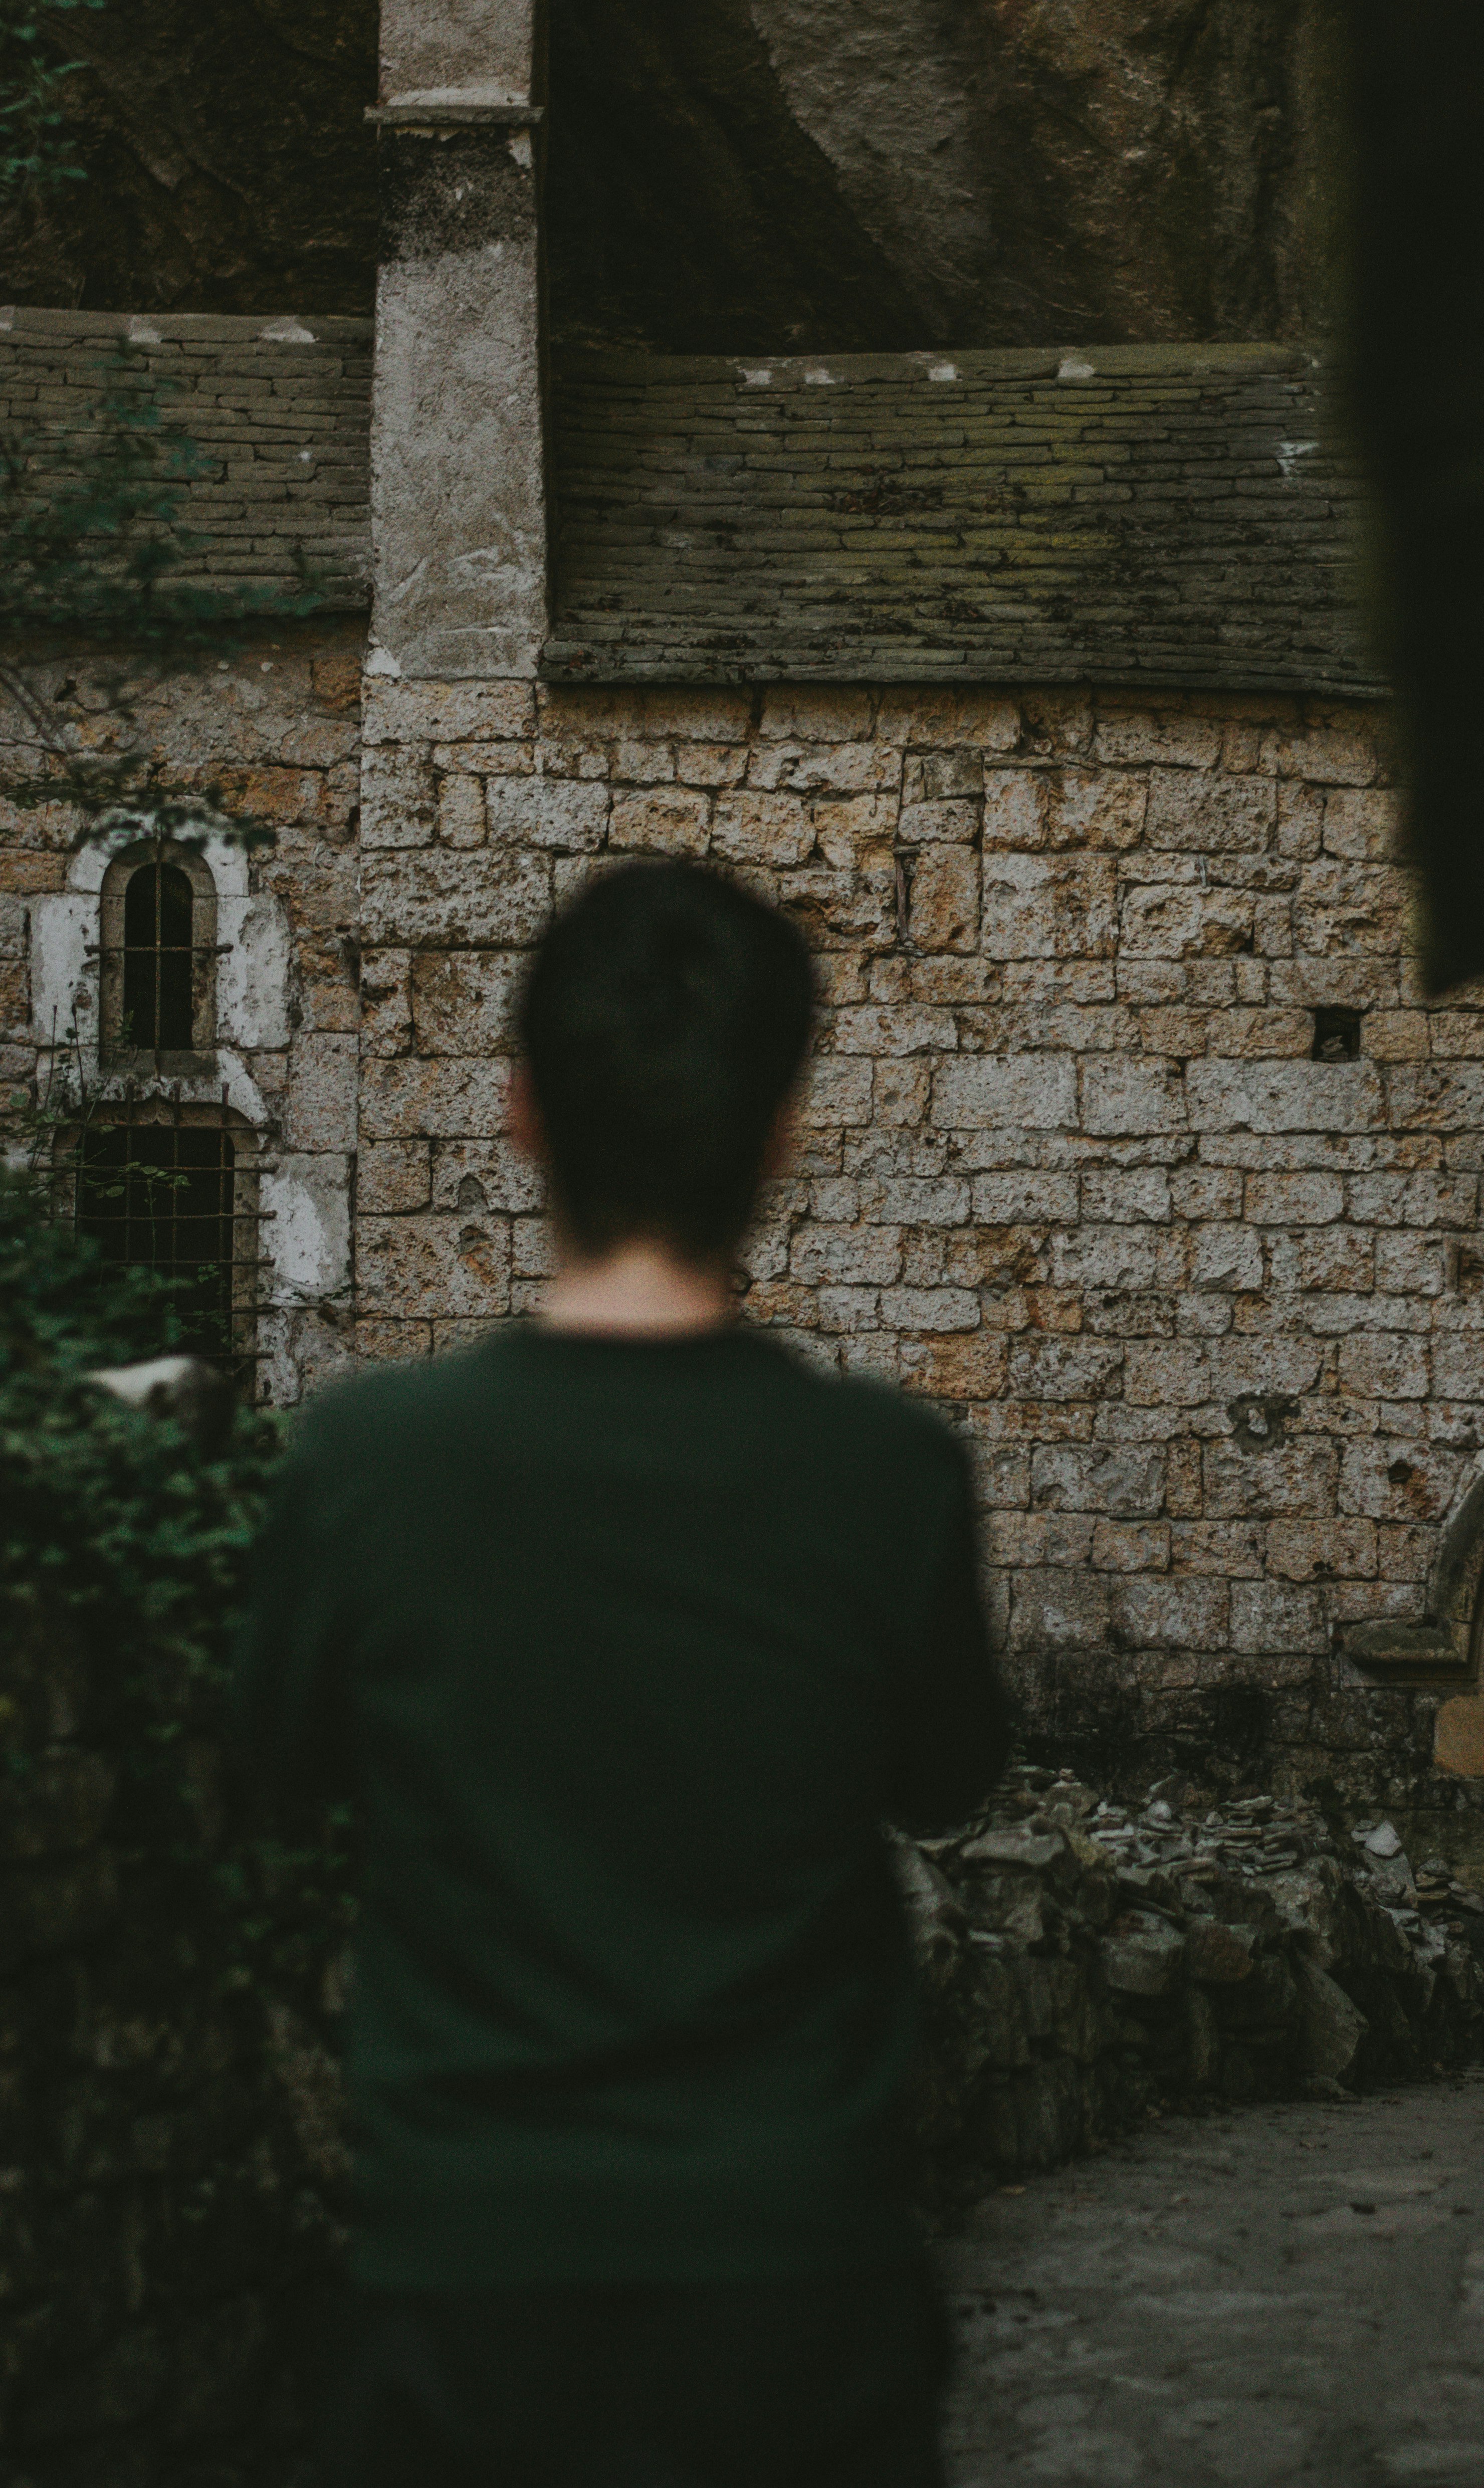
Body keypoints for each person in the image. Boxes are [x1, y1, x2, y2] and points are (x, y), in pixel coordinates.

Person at [234, 859, 1009, 2487]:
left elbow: (273, 1785)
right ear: (783, 1125)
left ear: (517, 1108)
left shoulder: (368, 1465)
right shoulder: (891, 1472)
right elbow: (948, 1781)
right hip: (801, 2291)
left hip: (469, 2291)